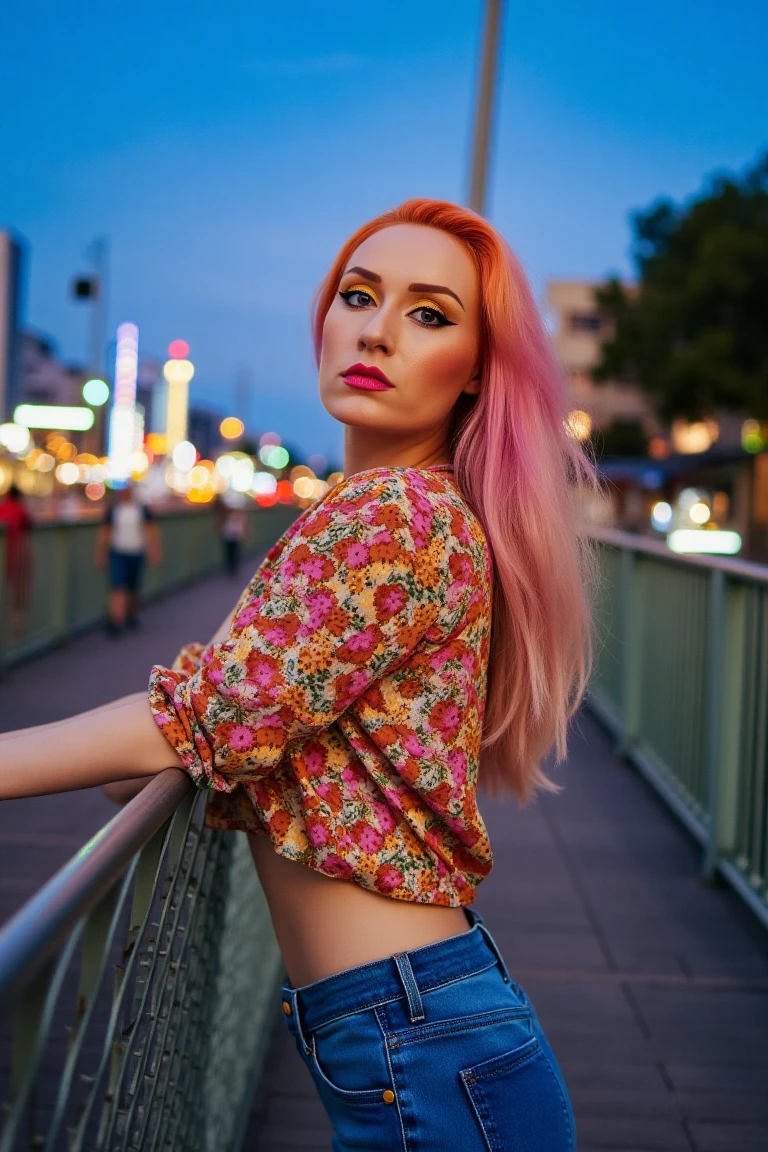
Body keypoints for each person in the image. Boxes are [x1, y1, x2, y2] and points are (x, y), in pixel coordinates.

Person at [0, 200, 599, 1150]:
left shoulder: (397, 519)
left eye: (430, 313)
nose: (376, 330)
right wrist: (184, 727)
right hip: (411, 1035)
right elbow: (190, 730)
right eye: (358, 296)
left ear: (479, 369)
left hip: (420, 1048)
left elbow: (198, 724)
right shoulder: (370, 514)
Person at [95, 484, 161, 635]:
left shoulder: (141, 509)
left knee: (133, 587)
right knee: (118, 586)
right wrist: (101, 553)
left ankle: (130, 614)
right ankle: (117, 621)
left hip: (137, 552)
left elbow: (150, 531)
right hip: (118, 552)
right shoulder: (114, 510)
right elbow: (106, 532)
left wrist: (154, 551)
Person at [0, 483, 33, 638]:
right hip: (16, 555)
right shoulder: (20, 509)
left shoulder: (3, 507)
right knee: (17, 593)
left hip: (6, 556)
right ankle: (17, 625)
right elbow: (30, 524)